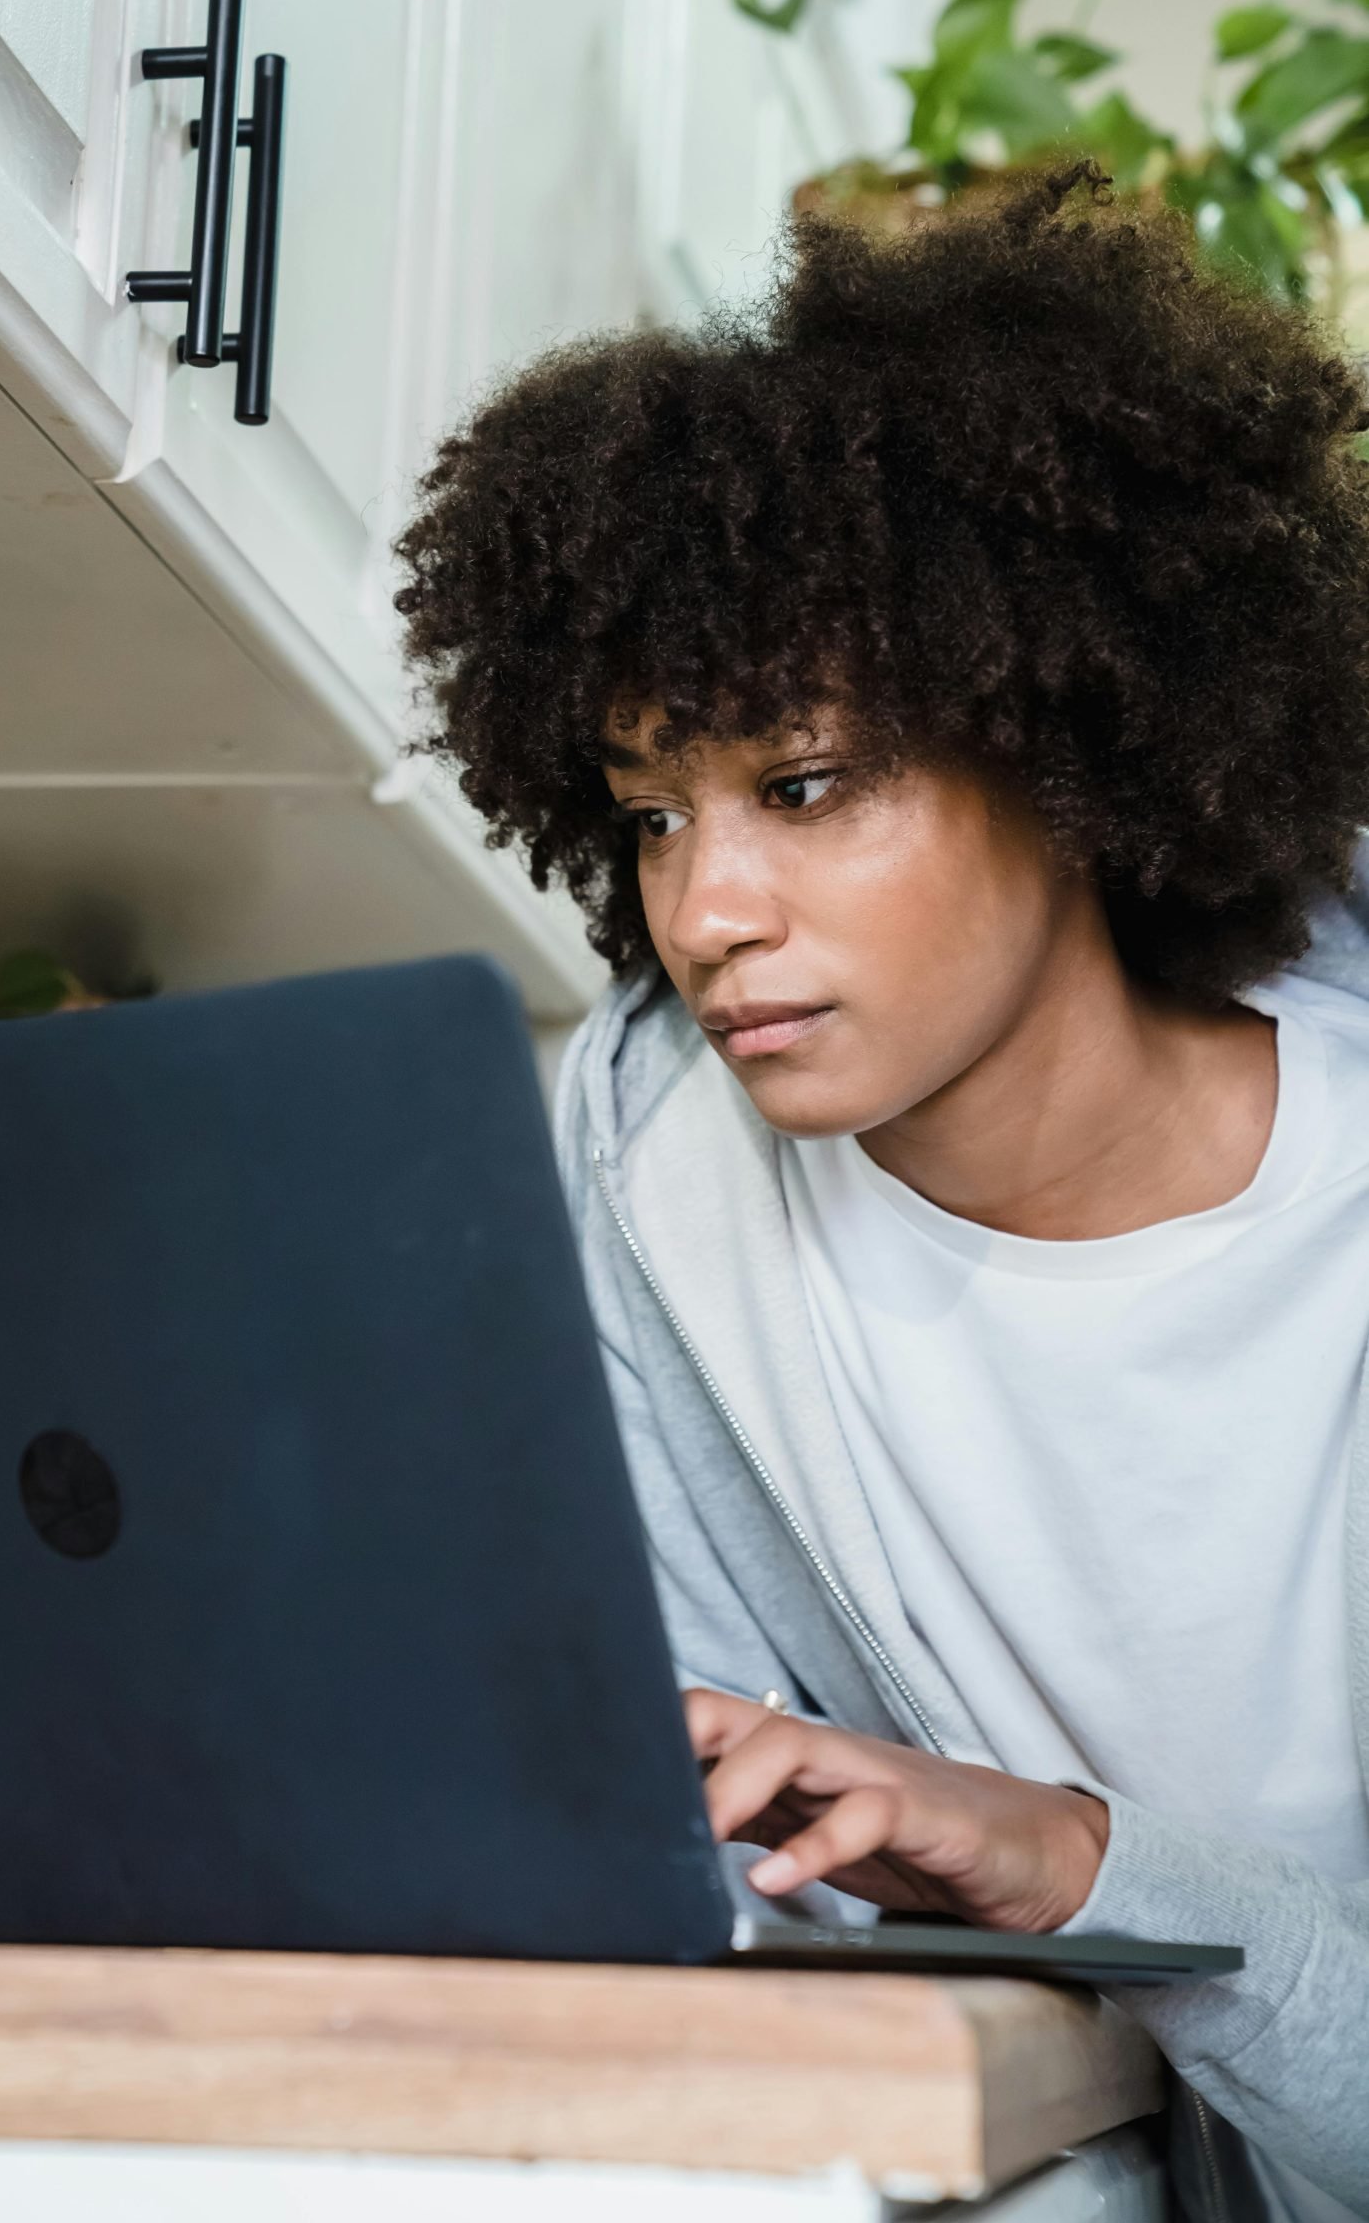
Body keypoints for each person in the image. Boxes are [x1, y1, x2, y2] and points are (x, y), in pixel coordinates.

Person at [394, 167, 1369, 2223]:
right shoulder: (651, 1174)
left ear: (1072, 746)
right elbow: (744, 1919)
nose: (704, 908)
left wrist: (1100, 1868)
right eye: (653, 812)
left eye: (804, 784)